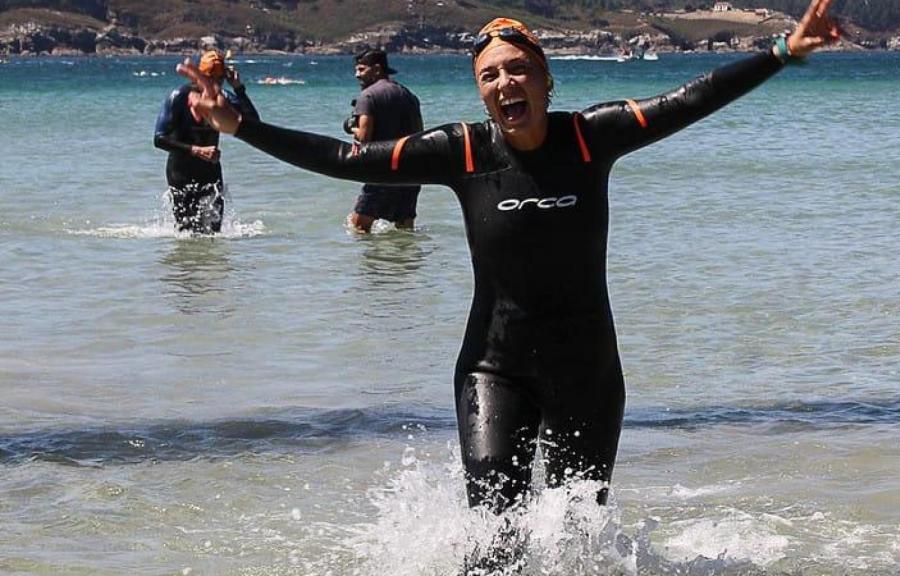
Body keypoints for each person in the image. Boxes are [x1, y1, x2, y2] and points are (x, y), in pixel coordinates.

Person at [178, 0, 840, 513]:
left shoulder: (590, 138)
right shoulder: (463, 151)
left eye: (517, 69)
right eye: (489, 76)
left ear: (546, 79)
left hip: (587, 371)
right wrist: (242, 126)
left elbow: (691, 100)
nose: (504, 82)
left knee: (577, 536)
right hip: (493, 369)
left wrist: (782, 51)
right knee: (495, 540)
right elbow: (348, 158)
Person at [154, 49, 259, 234]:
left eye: (220, 79)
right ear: (199, 76)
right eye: (211, 78)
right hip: (181, 172)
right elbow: (159, 139)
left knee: (214, 235)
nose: (215, 84)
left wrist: (238, 88)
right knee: (187, 234)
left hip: (210, 172)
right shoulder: (179, 97)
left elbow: (254, 125)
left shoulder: (224, 99)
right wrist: (197, 150)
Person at [342, 49, 424, 232]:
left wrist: (351, 128)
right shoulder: (408, 95)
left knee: (358, 226)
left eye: (361, 69)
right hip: (412, 170)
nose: (357, 75)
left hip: (382, 169)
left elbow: (364, 138)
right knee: (405, 227)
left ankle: (368, 254)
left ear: (377, 69)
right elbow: (419, 132)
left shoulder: (368, 96)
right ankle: (405, 253)